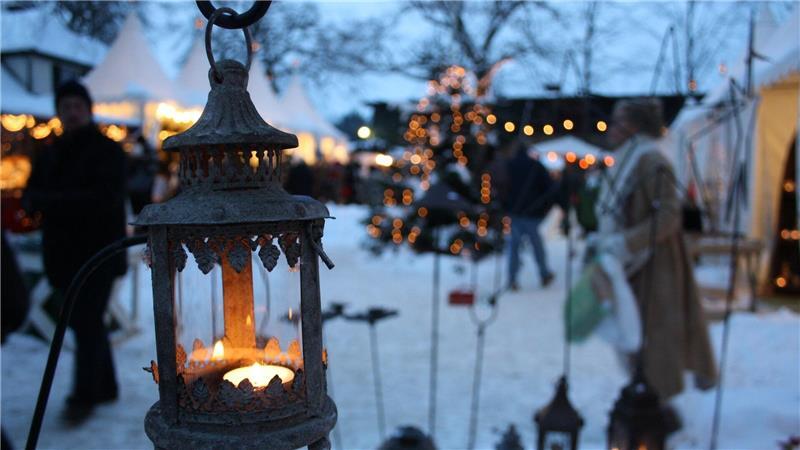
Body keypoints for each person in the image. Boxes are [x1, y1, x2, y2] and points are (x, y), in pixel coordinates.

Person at [590, 98, 717, 431]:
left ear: (633, 125)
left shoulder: (651, 160)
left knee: (653, 338)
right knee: (633, 337)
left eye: (619, 121)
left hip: (654, 265)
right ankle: (644, 402)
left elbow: (668, 217)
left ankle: (654, 411)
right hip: (631, 265)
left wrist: (625, 243)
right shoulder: (629, 159)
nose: (612, 128)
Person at [22, 80, 127, 425]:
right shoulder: (51, 152)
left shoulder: (106, 150)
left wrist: (51, 202)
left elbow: (103, 199)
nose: (71, 112)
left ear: (88, 109)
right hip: (63, 253)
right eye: (65, 106)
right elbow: (32, 192)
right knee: (88, 322)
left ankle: (84, 395)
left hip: (97, 252)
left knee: (86, 322)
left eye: (76, 106)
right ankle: (106, 385)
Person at [503, 143, 557, 290]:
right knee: (536, 245)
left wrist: (506, 206)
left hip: (515, 212)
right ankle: (544, 274)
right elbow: (550, 188)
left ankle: (512, 279)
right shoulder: (535, 166)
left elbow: (501, 187)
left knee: (514, 246)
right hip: (531, 213)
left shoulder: (510, 165)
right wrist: (542, 209)